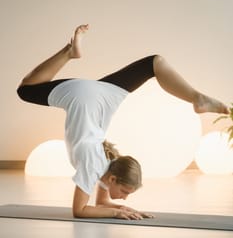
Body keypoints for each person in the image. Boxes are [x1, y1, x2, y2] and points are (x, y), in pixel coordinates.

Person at [17, 24, 228, 220]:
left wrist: (122, 209)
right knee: (25, 90)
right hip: (84, 98)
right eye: (126, 193)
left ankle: (196, 97)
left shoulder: (107, 165)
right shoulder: (95, 165)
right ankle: (69, 52)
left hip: (101, 96)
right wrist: (114, 214)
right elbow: (79, 211)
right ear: (113, 180)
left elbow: (100, 203)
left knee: (153, 63)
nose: (125, 198)